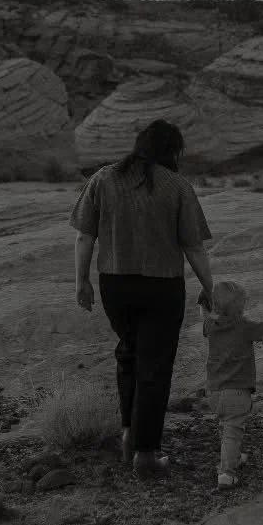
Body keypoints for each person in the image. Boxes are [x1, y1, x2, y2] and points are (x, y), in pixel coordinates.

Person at [70, 119, 215, 479]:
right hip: (161, 286)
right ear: (173, 151)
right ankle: (146, 454)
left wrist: (81, 282)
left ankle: (127, 436)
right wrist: (210, 287)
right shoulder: (178, 186)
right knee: (155, 364)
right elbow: (192, 246)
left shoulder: (103, 179)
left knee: (129, 352)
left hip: (114, 284)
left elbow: (84, 237)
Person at [200, 279, 263, 489]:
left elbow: (203, 317)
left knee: (228, 427)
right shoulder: (244, 327)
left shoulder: (211, 326)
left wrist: (201, 304)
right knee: (232, 430)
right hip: (237, 393)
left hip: (214, 392)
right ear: (241, 308)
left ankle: (234, 457)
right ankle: (226, 473)